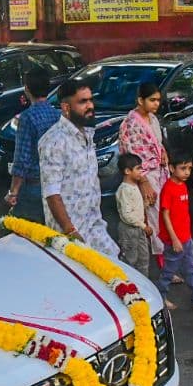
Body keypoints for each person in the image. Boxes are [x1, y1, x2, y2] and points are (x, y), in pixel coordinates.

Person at [38, 81, 118, 257]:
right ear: (66, 107)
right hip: (70, 234)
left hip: (94, 226)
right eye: (82, 102)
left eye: (90, 100)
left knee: (115, 264)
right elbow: (52, 194)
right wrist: (70, 231)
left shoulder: (87, 133)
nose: (90, 106)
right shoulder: (53, 141)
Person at [118, 81, 169, 264]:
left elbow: (158, 143)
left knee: (162, 214)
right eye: (152, 100)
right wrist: (144, 182)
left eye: (158, 100)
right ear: (140, 100)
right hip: (144, 176)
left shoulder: (153, 119)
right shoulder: (130, 124)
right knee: (153, 216)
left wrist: (163, 154)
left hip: (160, 172)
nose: (157, 104)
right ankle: (161, 260)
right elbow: (131, 156)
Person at [5, 67, 61, 223]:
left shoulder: (27, 118)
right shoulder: (57, 115)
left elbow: (22, 159)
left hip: (34, 187)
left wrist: (13, 191)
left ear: (27, 89)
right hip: (55, 184)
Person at [157, 153, 193, 312]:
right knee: (168, 271)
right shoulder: (168, 189)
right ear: (172, 168)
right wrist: (174, 239)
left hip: (186, 238)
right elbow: (165, 215)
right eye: (183, 168)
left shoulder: (182, 185)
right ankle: (160, 298)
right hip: (175, 240)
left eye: (189, 168)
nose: (187, 172)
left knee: (191, 269)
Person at [114, 153, 152, 277]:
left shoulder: (134, 186)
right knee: (131, 259)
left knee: (143, 258)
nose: (141, 171)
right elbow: (127, 215)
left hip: (139, 228)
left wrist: (145, 203)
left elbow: (135, 208)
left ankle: (144, 285)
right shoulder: (125, 190)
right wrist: (143, 225)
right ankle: (132, 286)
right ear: (127, 171)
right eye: (138, 168)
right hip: (130, 230)